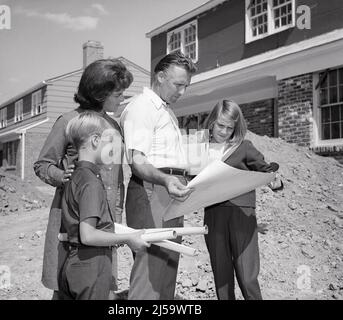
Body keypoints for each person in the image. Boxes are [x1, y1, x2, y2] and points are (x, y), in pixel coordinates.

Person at [33, 59, 133, 299]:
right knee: (67, 285)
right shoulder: (69, 121)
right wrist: (60, 175)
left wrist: (116, 218)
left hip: (103, 221)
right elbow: (42, 165)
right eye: (118, 94)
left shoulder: (113, 127)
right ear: (100, 93)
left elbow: (116, 180)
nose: (122, 99)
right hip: (73, 221)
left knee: (100, 285)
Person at [120, 51, 197, 300]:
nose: (182, 92)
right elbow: (138, 161)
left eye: (186, 86)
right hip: (153, 190)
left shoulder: (166, 111)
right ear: (160, 76)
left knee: (167, 265)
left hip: (171, 191)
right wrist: (165, 180)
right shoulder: (142, 107)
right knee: (151, 269)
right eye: (178, 84)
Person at [58, 112, 149, 300]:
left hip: (72, 262)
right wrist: (129, 238)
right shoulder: (91, 183)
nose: (112, 149)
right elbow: (88, 234)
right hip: (91, 265)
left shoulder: (74, 175)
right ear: (95, 140)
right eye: (109, 143)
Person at [202, 99, 283, 300]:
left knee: (247, 276)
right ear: (212, 121)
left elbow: (266, 170)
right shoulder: (199, 149)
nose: (224, 131)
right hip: (213, 214)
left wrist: (275, 181)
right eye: (220, 125)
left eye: (230, 128)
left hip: (242, 214)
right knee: (221, 275)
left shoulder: (244, 147)